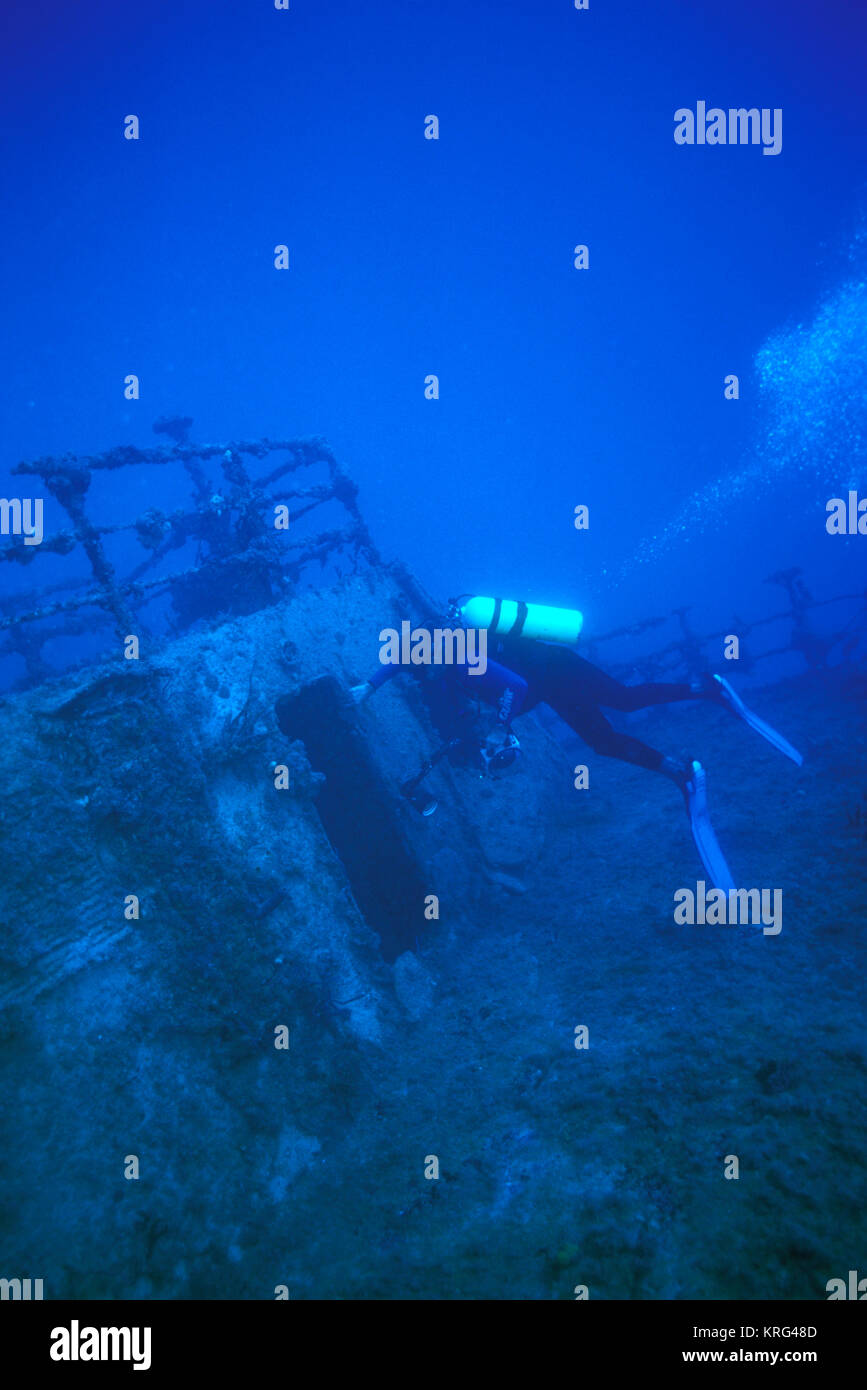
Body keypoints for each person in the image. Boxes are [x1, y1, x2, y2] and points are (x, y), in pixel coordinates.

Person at [350, 609, 803, 889]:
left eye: (423, 665)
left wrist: (500, 729)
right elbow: (396, 663)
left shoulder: (458, 657)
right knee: (604, 743)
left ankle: (705, 686)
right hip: (549, 686)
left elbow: (514, 684)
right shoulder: (426, 653)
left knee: (624, 700)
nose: (419, 670)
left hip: (555, 671)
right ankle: (681, 772)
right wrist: (366, 689)